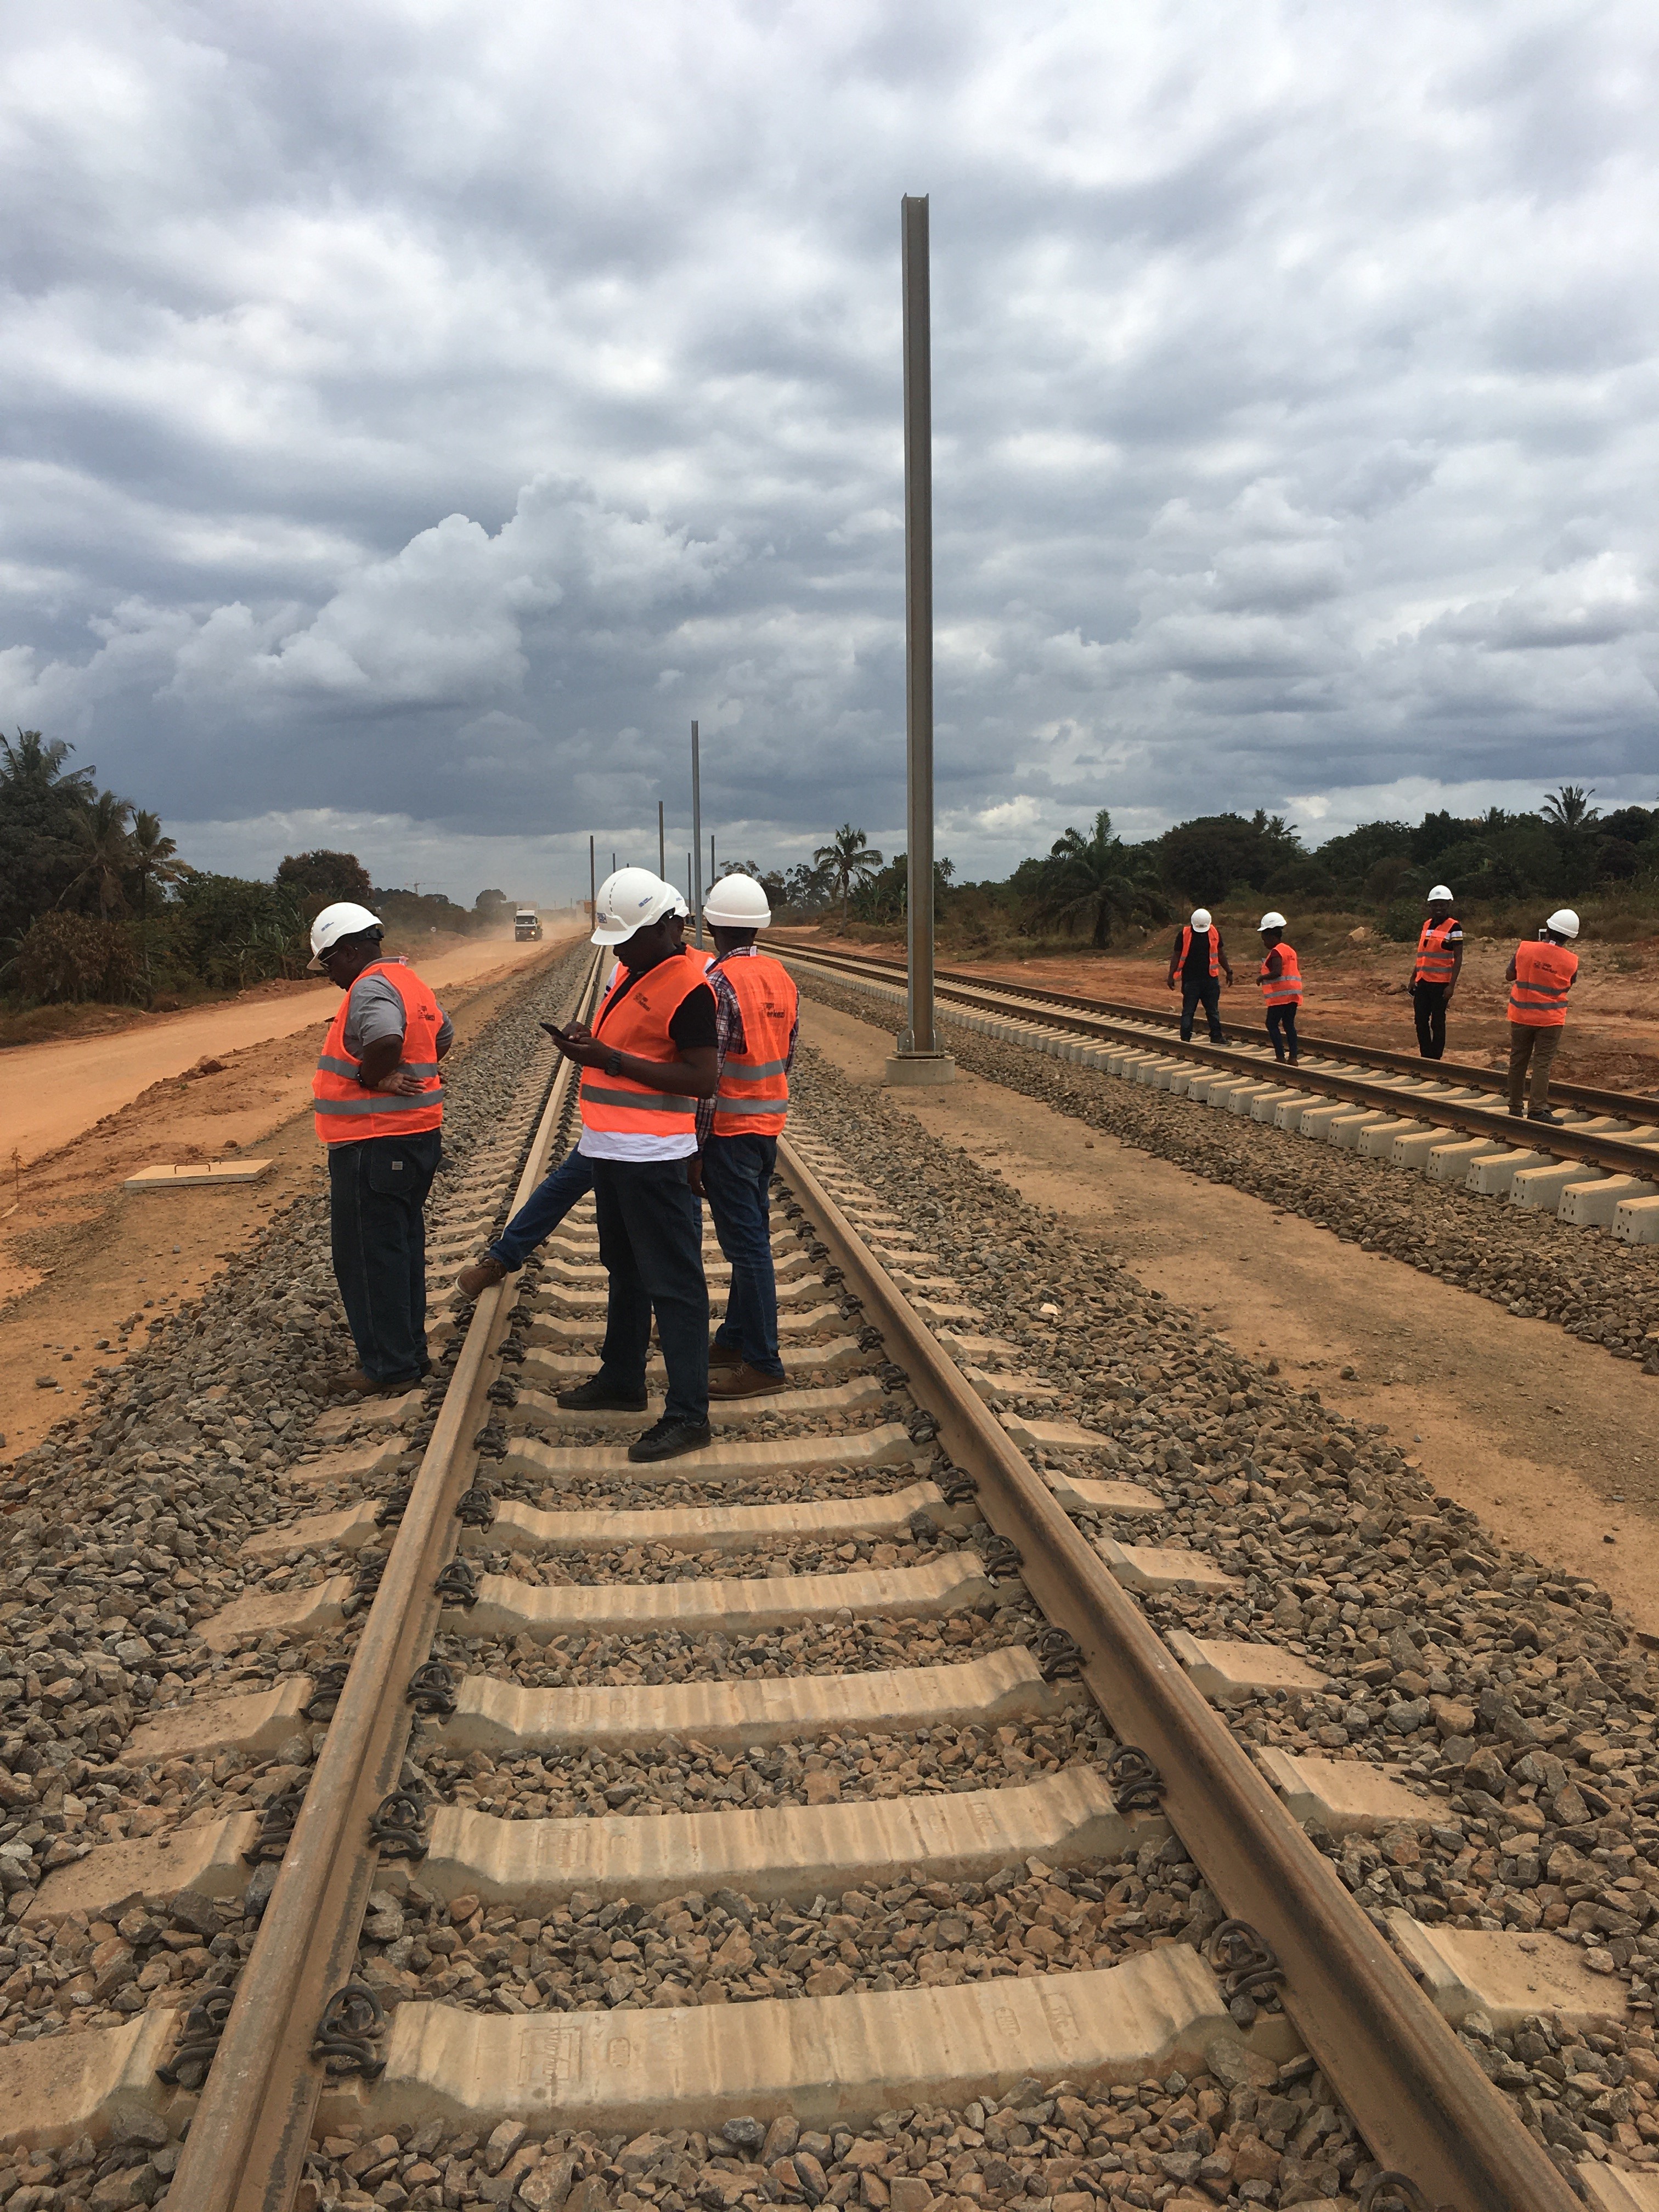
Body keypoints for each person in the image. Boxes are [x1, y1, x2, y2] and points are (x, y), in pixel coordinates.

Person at [545, 868, 717, 1463]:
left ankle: (689, 1415)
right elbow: (629, 1044)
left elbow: (702, 1077)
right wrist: (586, 1042)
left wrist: (609, 1058)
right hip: (611, 1151)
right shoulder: (633, 969)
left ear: (670, 927)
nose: (618, 948)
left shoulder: (691, 986)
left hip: (654, 1159)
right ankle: (622, 1378)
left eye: (629, 937)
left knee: (675, 1287)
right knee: (625, 1268)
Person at [309, 902, 452, 1396]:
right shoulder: (411, 982)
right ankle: (408, 1354)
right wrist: (410, 1074)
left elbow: (386, 1037)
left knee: (370, 1257)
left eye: (329, 964)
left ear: (350, 951)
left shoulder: (369, 987)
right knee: (401, 1248)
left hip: (374, 1142)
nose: (330, 976)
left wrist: (373, 1076)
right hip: (415, 1136)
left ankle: (390, 1369)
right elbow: (444, 1036)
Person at [697, 874, 801, 1400]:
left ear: (711, 924)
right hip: (767, 1125)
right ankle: (736, 1338)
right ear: (760, 924)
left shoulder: (718, 983)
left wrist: (694, 1148)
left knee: (748, 1246)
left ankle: (763, 1362)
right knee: (751, 1236)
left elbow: (708, 1077)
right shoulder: (781, 975)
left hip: (730, 1129)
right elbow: (787, 1053)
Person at [1505, 909, 1580, 1122]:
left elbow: (1509, 975)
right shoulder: (1571, 961)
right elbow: (1569, 983)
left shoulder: (1525, 949)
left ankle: (1515, 1107)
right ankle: (1537, 1109)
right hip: (1550, 1020)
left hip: (1521, 1015)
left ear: (1547, 929)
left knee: (1518, 1061)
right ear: (1569, 936)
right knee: (1542, 1064)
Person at [1409, 885, 1463, 1060]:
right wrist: (1413, 978)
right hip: (1423, 981)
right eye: (1435, 905)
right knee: (1420, 1021)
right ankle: (1426, 1056)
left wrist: (1451, 986)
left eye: (1442, 905)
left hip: (1441, 985)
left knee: (1438, 1022)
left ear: (1448, 905)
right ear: (1430, 906)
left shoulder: (1454, 927)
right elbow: (1423, 954)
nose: (1438, 908)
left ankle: (1436, 1058)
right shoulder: (1426, 925)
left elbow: (1458, 957)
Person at [1166, 907, 1232, 1041]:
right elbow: (1177, 956)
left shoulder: (1214, 933)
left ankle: (1213, 1037)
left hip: (1208, 980)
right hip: (1195, 981)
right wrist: (1171, 975)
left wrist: (1229, 971)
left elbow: (1220, 954)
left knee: (1201, 1011)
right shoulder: (1184, 934)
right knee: (1199, 1011)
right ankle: (1188, 1037)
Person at [1256, 911, 1302, 1063]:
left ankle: (1280, 1056)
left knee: (1271, 1024)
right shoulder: (1290, 950)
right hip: (1294, 994)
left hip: (1280, 996)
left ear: (1272, 937)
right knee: (1289, 1024)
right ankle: (1294, 1057)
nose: (1264, 944)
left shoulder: (1276, 952)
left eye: (1265, 940)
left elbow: (1277, 972)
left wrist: (1262, 977)